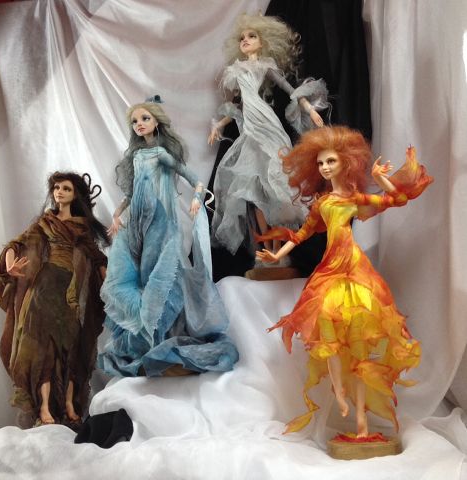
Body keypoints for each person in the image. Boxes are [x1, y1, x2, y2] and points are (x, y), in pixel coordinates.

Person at [256, 126, 433, 437]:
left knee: (359, 343)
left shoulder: (353, 198)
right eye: (321, 163)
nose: (325, 167)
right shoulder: (322, 204)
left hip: (355, 269)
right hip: (330, 271)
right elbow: (301, 234)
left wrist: (379, 178)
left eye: (331, 161)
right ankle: (339, 390)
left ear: (345, 163)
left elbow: (397, 198)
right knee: (330, 332)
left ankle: (362, 423)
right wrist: (276, 255)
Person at [99, 98, 238, 377]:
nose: (139, 124)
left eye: (145, 119)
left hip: (162, 223)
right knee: (143, 279)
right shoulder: (137, 156)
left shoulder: (161, 153)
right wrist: (117, 214)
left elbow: (195, 180)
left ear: (157, 122)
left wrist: (197, 199)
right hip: (139, 224)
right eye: (135, 121)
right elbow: (133, 192)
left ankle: (166, 340)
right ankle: (151, 343)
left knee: (163, 278)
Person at [208, 13, 329, 257]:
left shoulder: (266, 66)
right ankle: (267, 248)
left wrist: (309, 109)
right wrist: (219, 124)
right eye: (242, 38)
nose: (246, 40)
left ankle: (277, 248)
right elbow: (239, 104)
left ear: (262, 42)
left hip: (266, 123)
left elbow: (290, 89)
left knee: (276, 181)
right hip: (250, 126)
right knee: (254, 189)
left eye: (252, 36)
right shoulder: (237, 70)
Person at [0, 172, 108, 426]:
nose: (59, 192)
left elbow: (97, 258)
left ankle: (68, 404)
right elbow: (16, 244)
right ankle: (44, 408)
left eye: (66, 188)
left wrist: (109, 283)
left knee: (71, 346)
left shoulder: (82, 227)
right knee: (43, 348)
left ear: (75, 195)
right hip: (44, 287)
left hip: (69, 291)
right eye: (57, 187)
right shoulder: (46, 223)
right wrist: (11, 264)